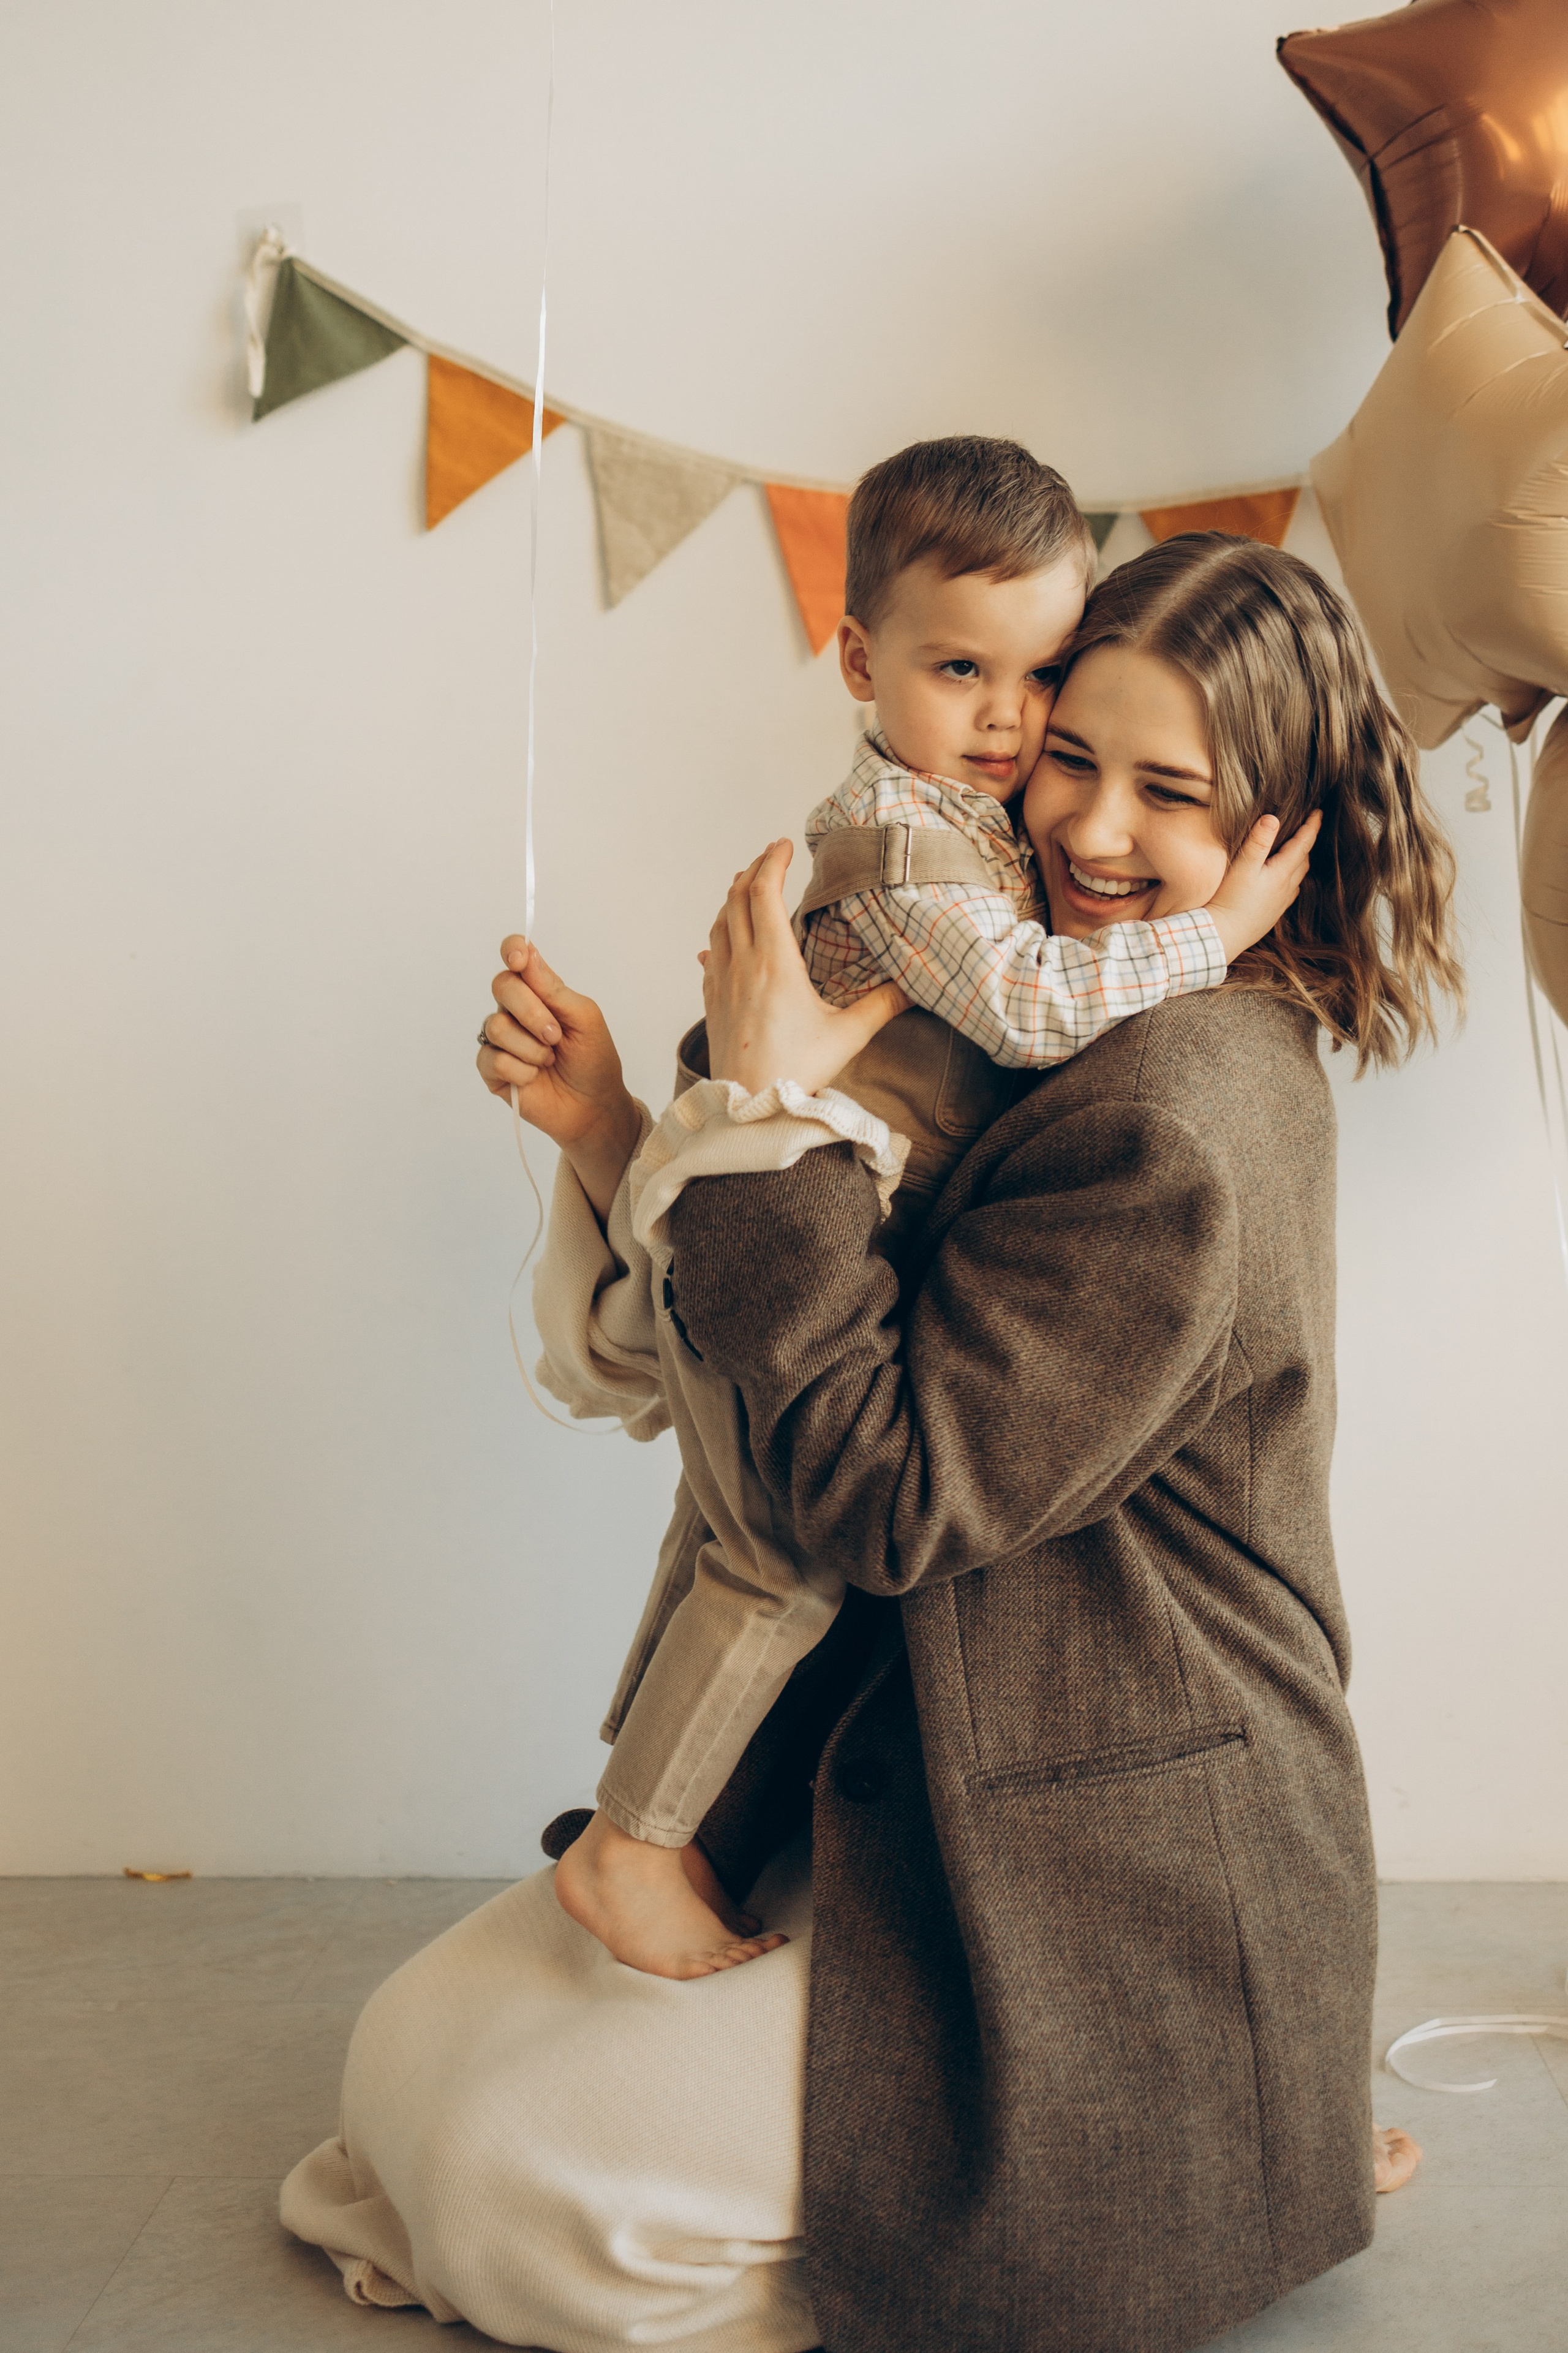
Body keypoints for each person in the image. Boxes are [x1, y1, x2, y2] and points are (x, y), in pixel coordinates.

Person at [283, 532, 1443, 2351]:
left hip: (1102, 1822)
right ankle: (1211, 2142)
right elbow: (755, 1342)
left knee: (506, 2172)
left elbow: (881, 1489)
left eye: (1176, 795)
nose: (1095, 832)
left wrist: (767, 1108)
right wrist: (618, 1124)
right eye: (1075, 755)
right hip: (904, 1746)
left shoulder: (1181, 1113)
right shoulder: (1022, 1008)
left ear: (1287, 832)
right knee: (403, 2062)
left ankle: (1195, 2157)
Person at [527, 440, 1316, 1982]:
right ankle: (635, 1843)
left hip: (760, 1237)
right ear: (859, 661)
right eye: (970, 675)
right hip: (748, 1226)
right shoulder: (913, 856)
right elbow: (1023, 1012)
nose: (1019, 733)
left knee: (732, 1541)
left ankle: (653, 1822)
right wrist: (1213, 928)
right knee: (767, 1563)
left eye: (1040, 682)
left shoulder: (1007, 866)